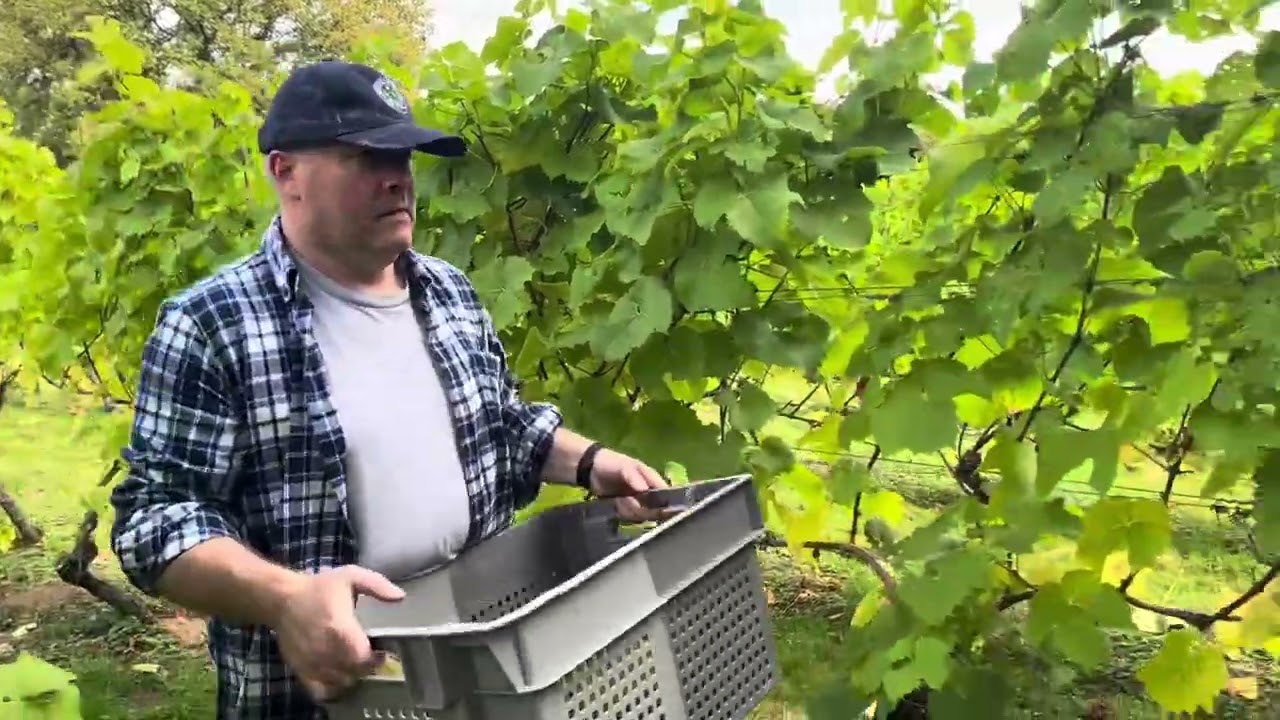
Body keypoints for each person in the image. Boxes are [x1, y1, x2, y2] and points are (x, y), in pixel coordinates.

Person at [108, 59, 672, 720]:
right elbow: (157, 519)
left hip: (480, 666)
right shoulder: (212, 323)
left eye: (403, 158)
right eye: (364, 158)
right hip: (329, 695)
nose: (396, 180)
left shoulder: (449, 291)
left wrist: (589, 461)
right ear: (284, 171)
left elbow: (501, 426)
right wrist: (287, 599)